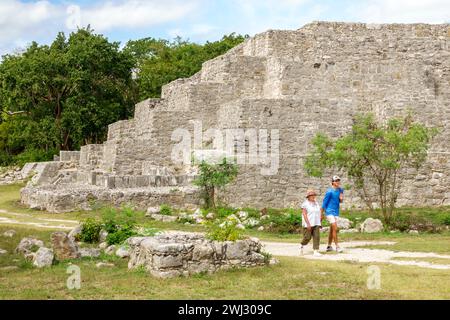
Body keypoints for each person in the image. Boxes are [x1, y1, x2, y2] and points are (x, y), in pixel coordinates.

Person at [321, 176, 344, 253]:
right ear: (333, 182)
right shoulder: (329, 192)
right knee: (335, 227)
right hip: (329, 211)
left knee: (332, 230)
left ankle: (329, 246)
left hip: (336, 212)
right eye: (336, 181)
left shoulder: (340, 190)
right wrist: (321, 214)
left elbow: (340, 201)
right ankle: (337, 246)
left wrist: (341, 199)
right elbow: (324, 203)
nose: (338, 182)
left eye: (338, 181)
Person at [300, 189, 323, 257]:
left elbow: (318, 213)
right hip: (308, 223)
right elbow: (304, 214)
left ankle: (315, 251)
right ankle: (302, 245)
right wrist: (308, 224)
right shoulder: (305, 204)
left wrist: (320, 222)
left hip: (316, 223)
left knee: (317, 237)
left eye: (314, 195)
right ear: (308, 196)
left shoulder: (316, 203)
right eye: (311, 195)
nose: (313, 196)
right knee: (307, 237)